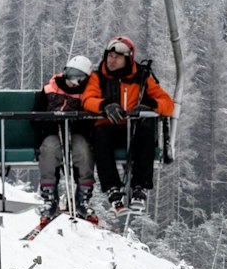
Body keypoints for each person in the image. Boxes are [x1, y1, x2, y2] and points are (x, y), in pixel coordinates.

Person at [81, 35, 175, 214]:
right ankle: (112, 188)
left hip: (133, 129)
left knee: (146, 132)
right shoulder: (98, 77)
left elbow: (167, 104)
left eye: (117, 57)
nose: (112, 60)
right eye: (109, 56)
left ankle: (140, 186)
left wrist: (151, 105)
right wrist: (104, 105)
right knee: (100, 136)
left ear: (128, 59)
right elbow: (87, 99)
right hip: (108, 127)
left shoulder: (142, 77)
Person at [34, 53, 96, 221]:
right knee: (49, 149)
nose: (71, 80)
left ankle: (82, 196)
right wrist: (47, 125)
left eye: (76, 78)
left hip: (75, 133)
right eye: (69, 74)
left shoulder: (87, 94)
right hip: (52, 132)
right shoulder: (50, 89)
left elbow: (90, 119)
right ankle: (49, 196)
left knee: (83, 150)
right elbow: (36, 115)